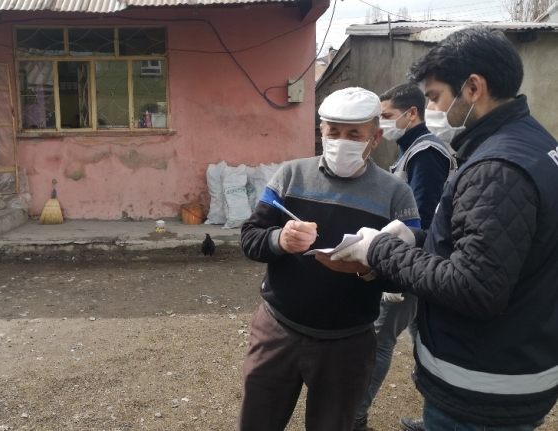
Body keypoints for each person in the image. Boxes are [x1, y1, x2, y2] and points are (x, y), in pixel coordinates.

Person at [332, 27, 558, 430]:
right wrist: (419, 240)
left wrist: (380, 251)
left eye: (435, 96)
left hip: (484, 387)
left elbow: (475, 285)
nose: (432, 107)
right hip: (520, 360)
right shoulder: (535, 143)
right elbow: (496, 246)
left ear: (473, 87)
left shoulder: (497, 168)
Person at [238, 87, 420, 431]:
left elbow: (408, 272)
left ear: (375, 136)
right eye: (333, 131)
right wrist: (281, 239)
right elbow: (250, 238)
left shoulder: (397, 195)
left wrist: (366, 269)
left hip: (347, 342)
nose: (341, 140)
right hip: (278, 329)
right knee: (257, 421)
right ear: (320, 131)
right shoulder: (290, 175)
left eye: (354, 134)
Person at [353, 83, 455, 431]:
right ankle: (436, 419)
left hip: (411, 265)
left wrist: (396, 269)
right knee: (426, 341)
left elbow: (422, 219)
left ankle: (354, 417)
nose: (382, 125)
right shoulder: (412, 151)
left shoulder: (426, 153)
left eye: (386, 116)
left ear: (412, 114)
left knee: (378, 341)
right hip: (416, 263)